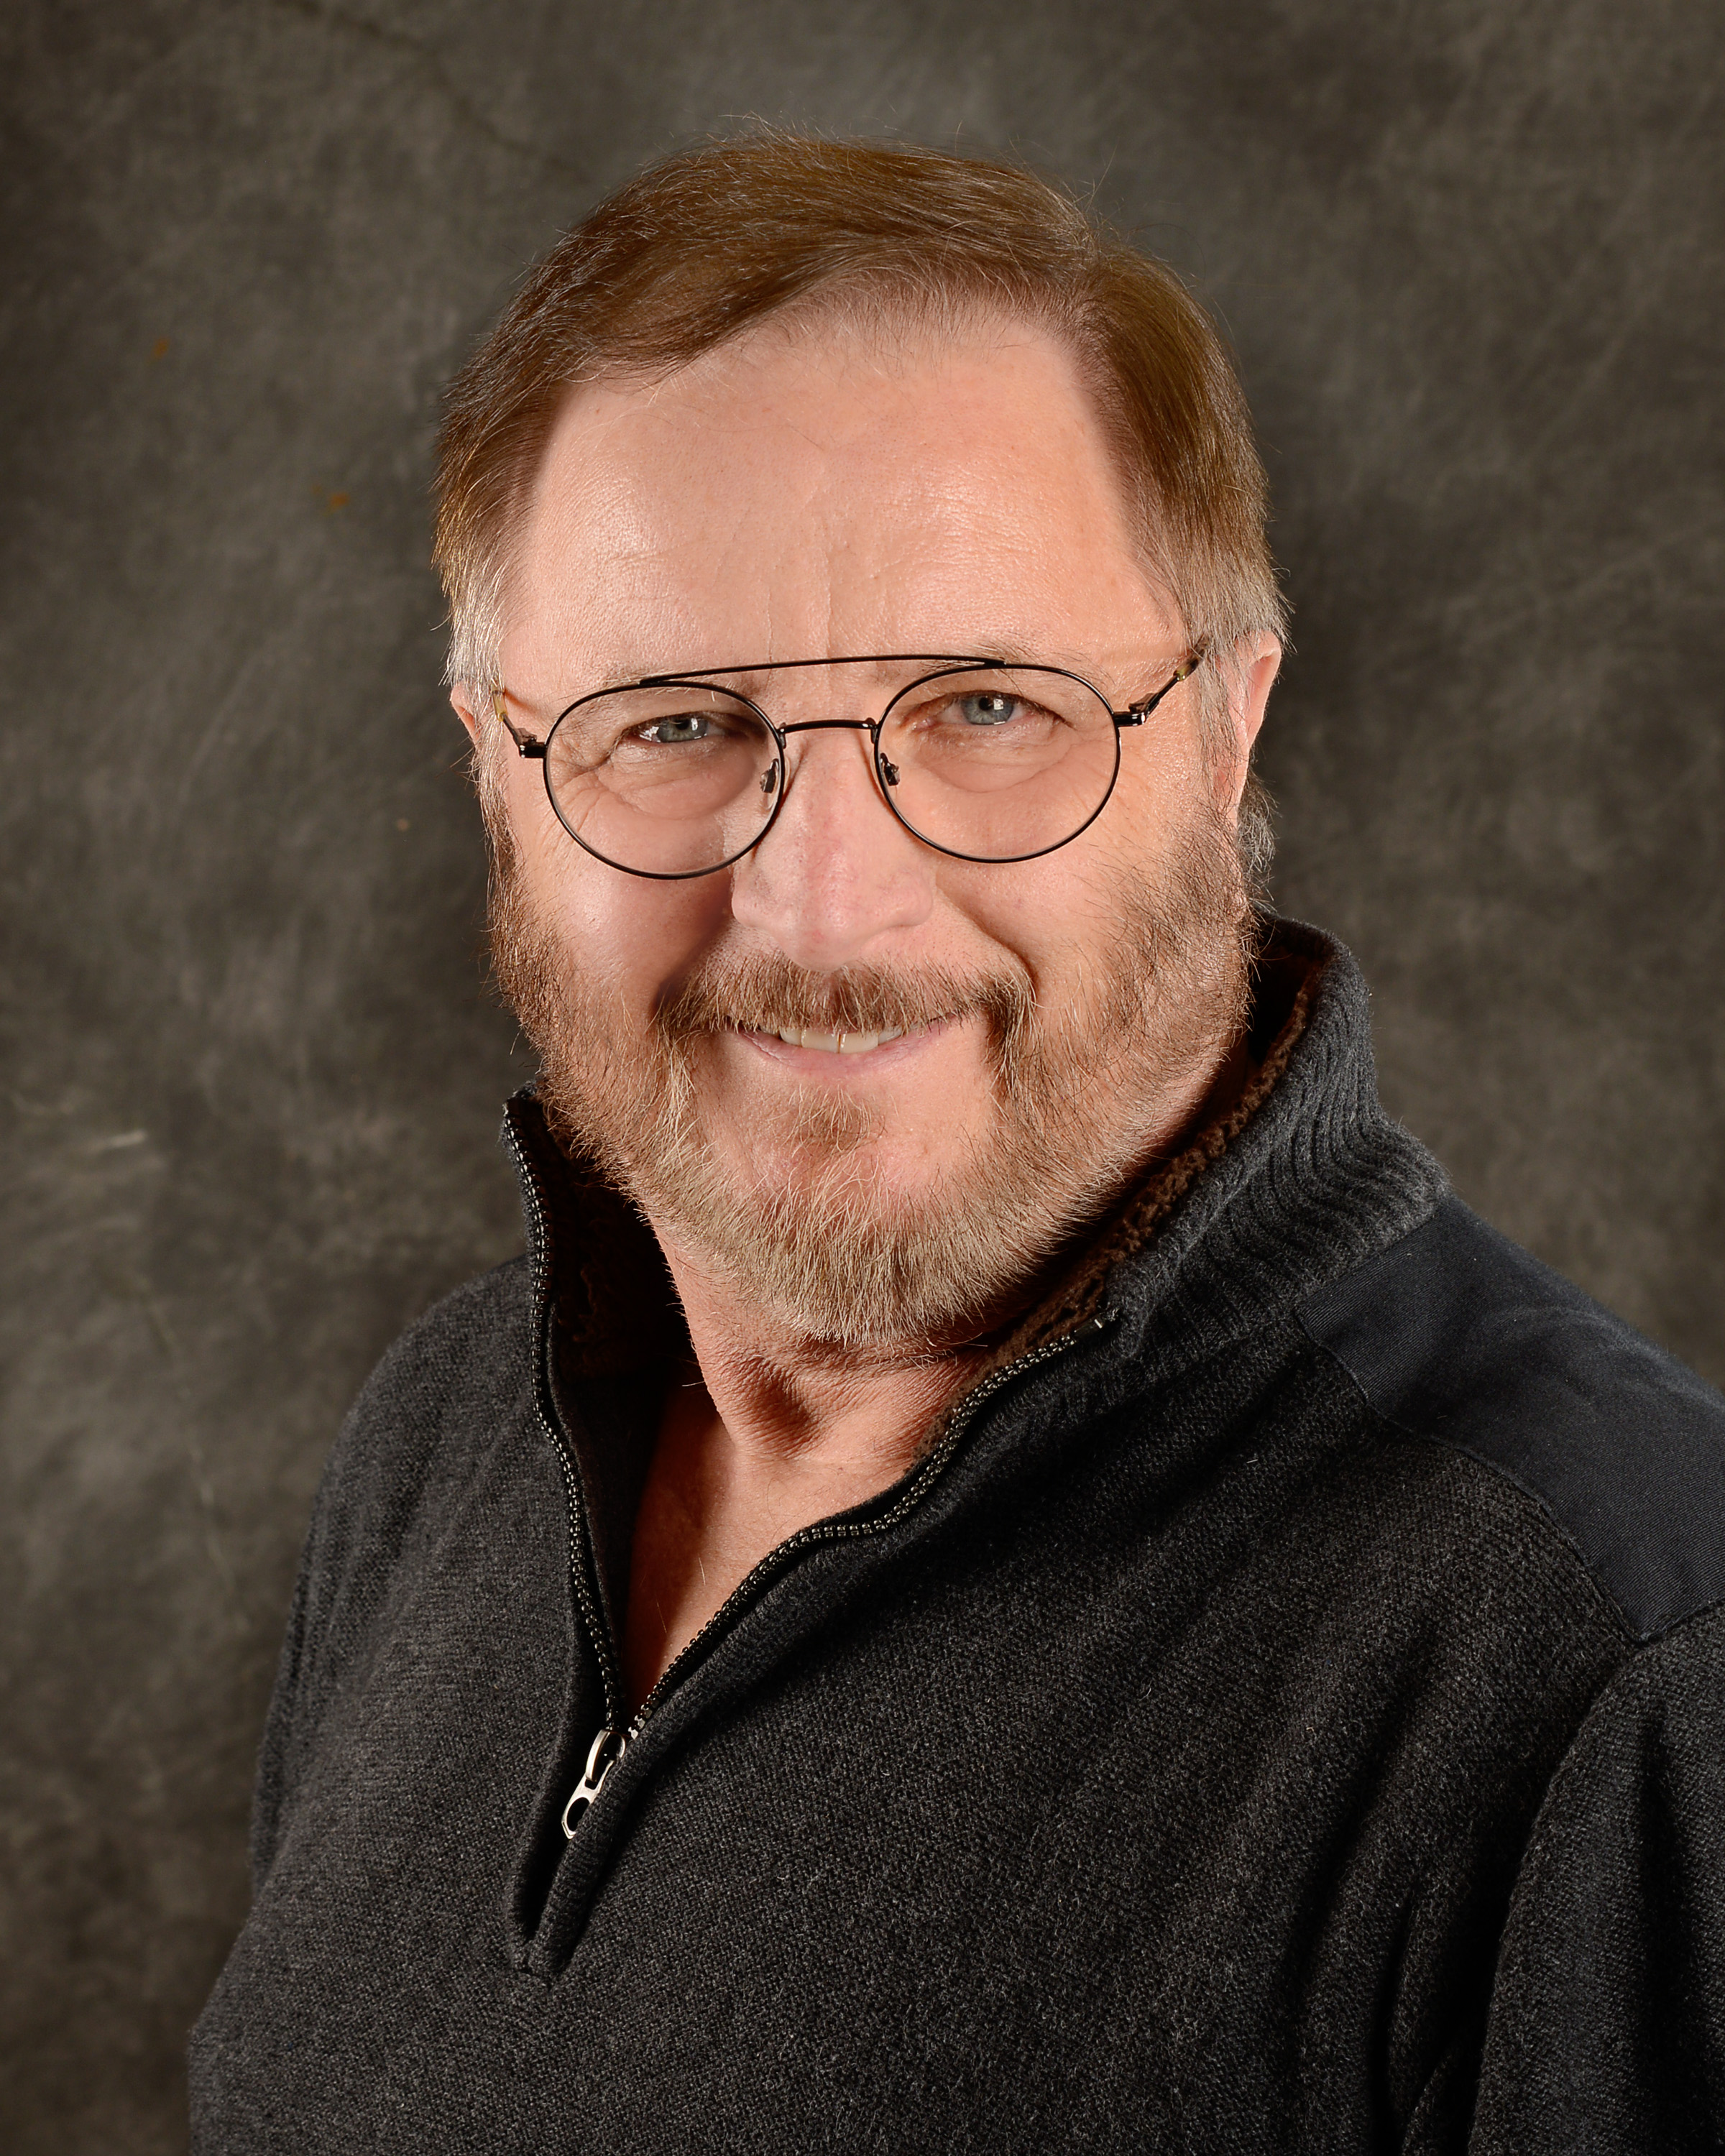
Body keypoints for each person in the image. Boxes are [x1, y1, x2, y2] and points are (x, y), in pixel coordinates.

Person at [189, 135, 1725, 2152]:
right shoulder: (444, 1443)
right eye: (671, 722)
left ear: (1224, 733)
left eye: (987, 706)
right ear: (499, 771)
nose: (826, 915)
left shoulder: (1618, 1670)